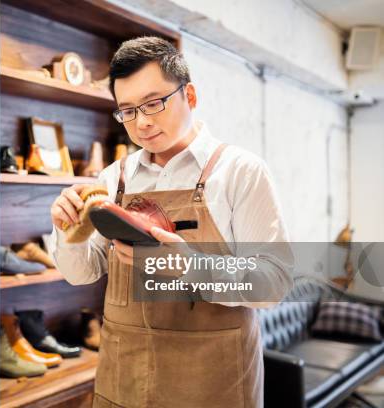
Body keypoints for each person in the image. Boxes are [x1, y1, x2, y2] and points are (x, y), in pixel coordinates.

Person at [49, 37, 293, 408]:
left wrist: (188, 265)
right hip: (123, 376)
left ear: (190, 96)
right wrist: (69, 232)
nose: (142, 122)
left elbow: (273, 281)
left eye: (153, 103)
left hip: (213, 382)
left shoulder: (239, 172)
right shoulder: (113, 178)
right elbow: (82, 273)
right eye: (127, 110)